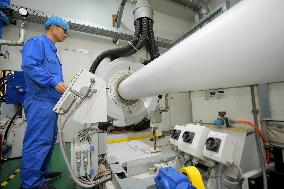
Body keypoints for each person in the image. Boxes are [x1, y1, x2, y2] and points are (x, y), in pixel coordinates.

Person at [20, 16, 69, 189]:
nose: (66, 34)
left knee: (48, 140)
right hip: (40, 102)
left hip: (51, 104)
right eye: (64, 30)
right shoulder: (37, 43)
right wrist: (53, 82)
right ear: (53, 27)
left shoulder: (52, 51)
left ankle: (42, 172)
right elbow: (29, 65)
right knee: (38, 141)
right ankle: (31, 184)